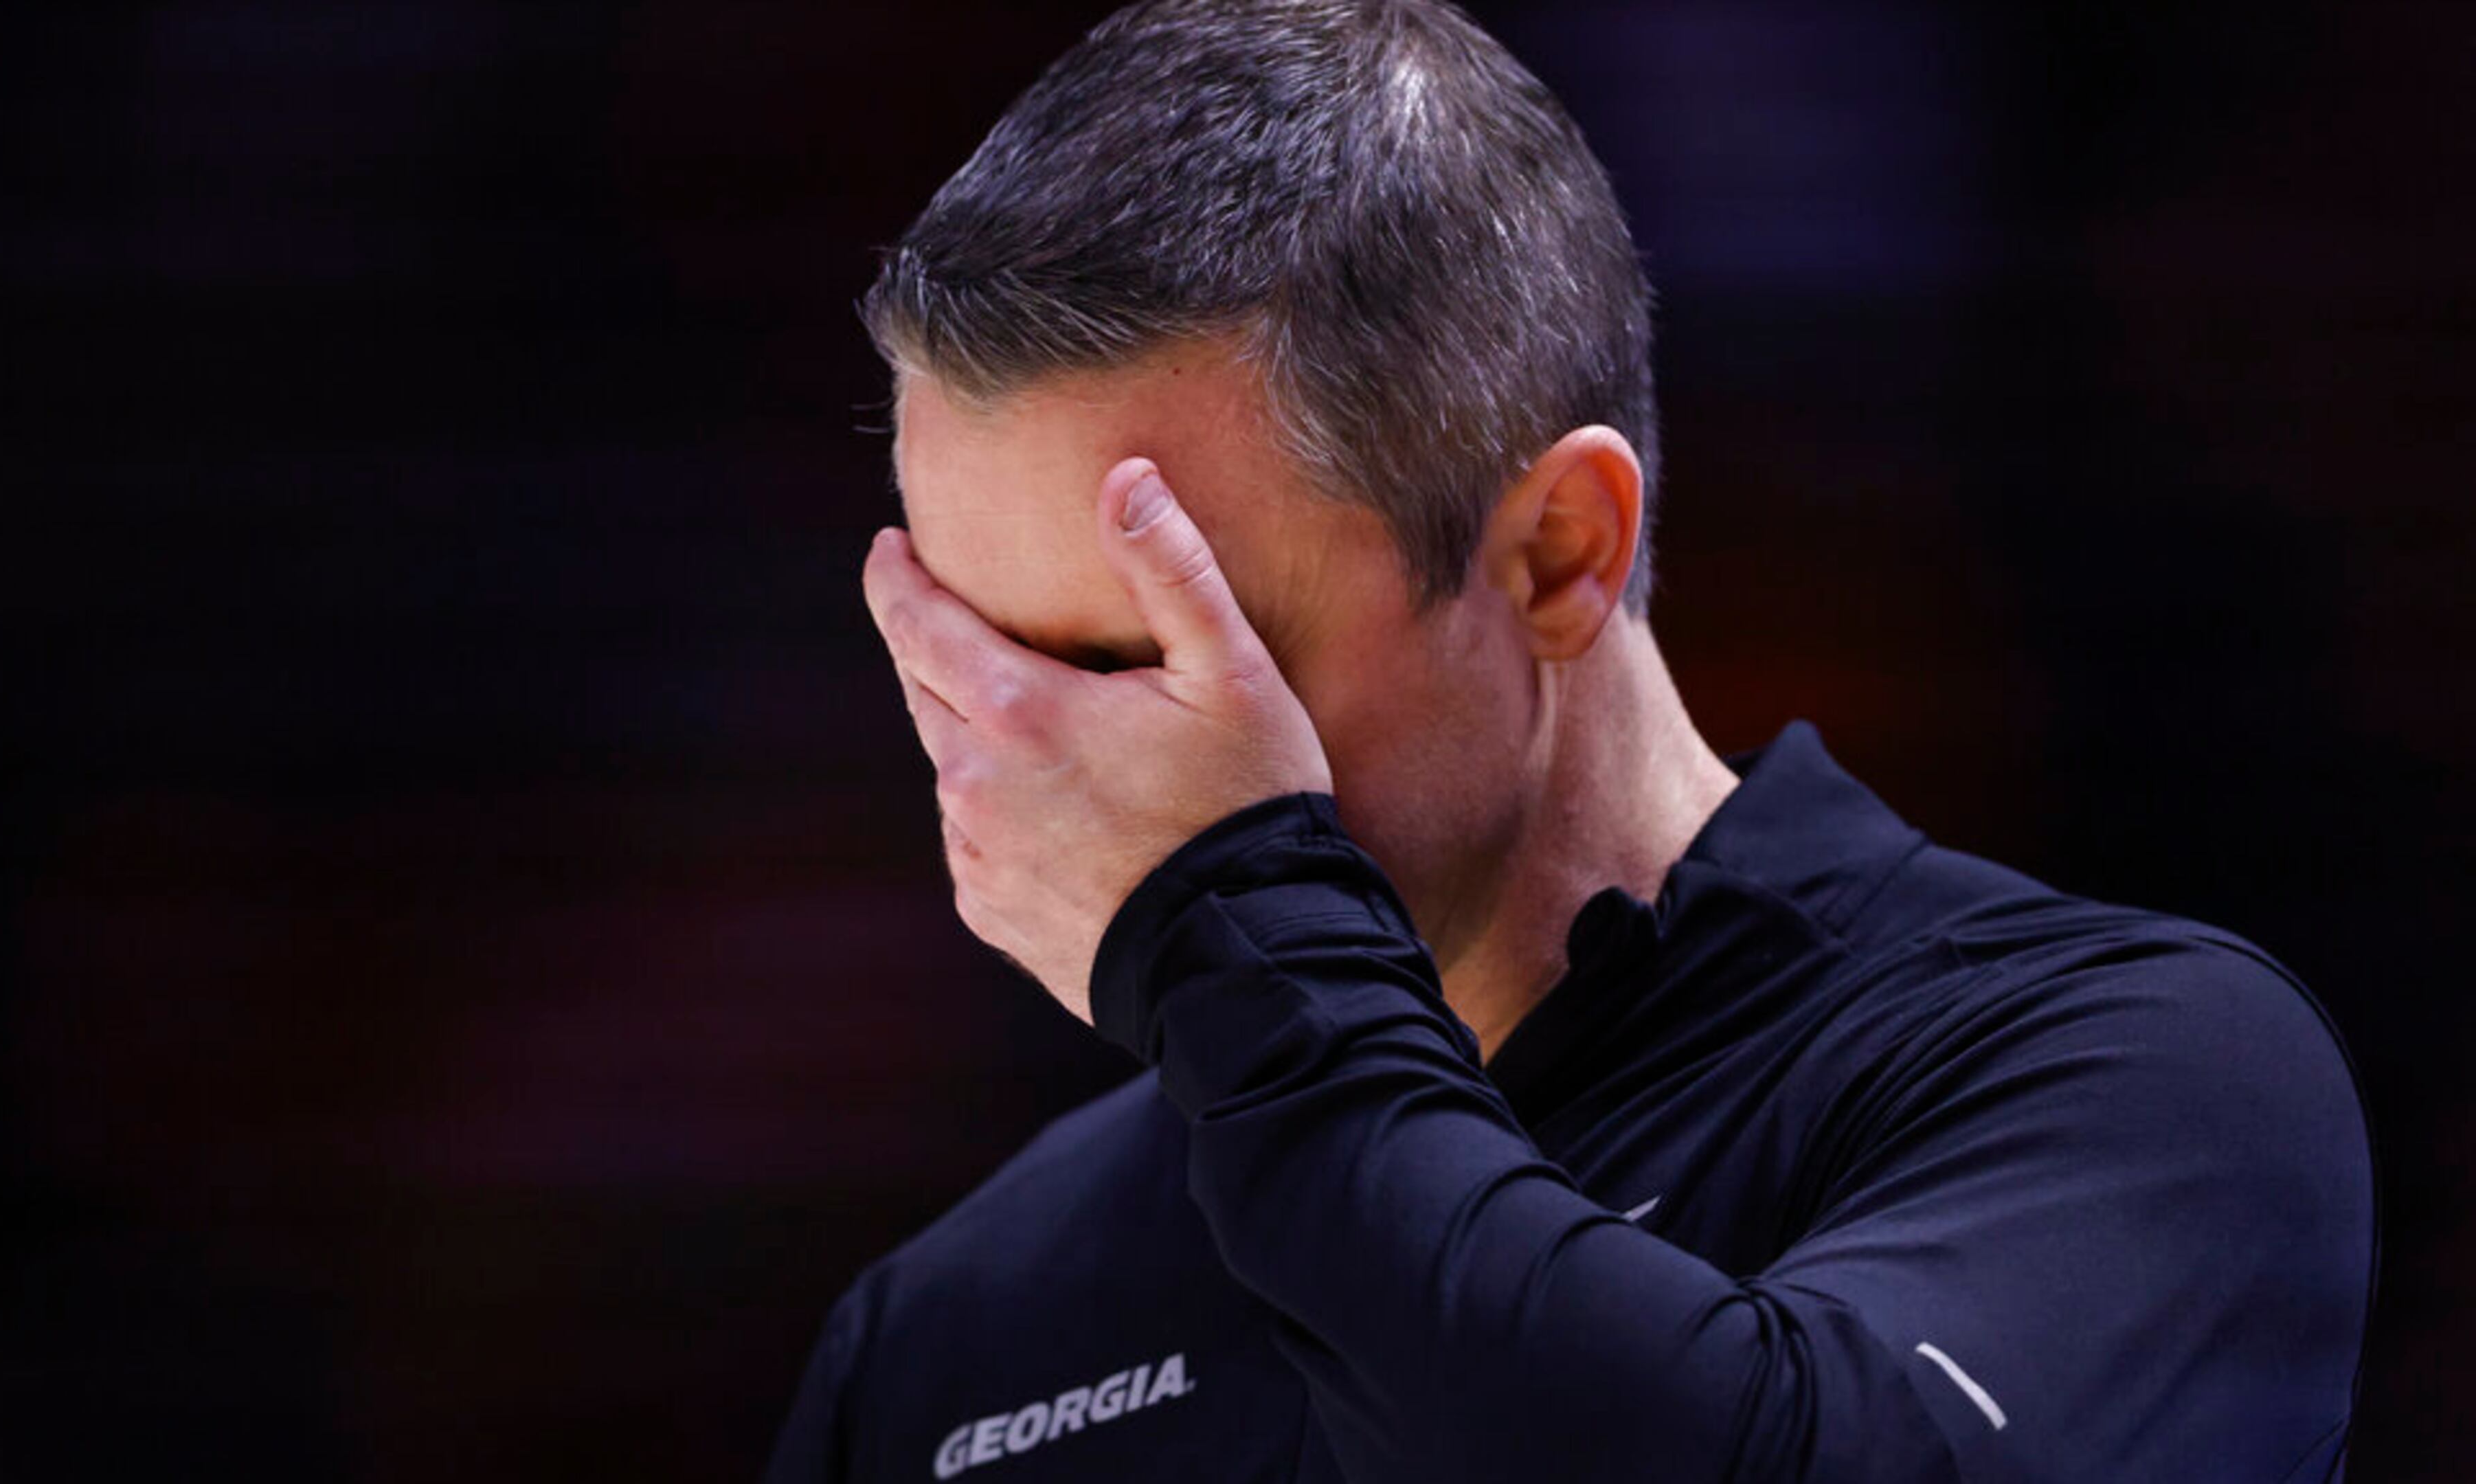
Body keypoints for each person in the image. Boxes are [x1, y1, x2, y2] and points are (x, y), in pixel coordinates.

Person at [767, 0, 2376, 1478]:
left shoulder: (2135, 1081)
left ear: (1558, 555)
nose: (1049, 766)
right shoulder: (954, 1328)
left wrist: (1229, 946)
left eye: (1158, 659)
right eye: (984, 661)